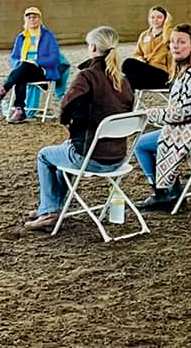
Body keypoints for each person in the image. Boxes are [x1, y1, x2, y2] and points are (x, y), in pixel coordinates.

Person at [24, 27, 136, 231]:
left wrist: (67, 121)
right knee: (63, 152)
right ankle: (52, 205)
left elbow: (67, 103)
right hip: (118, 158)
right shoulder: (124, 80)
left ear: (93, 47)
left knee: (45, 156)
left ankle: (49, 211)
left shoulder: (87, 76)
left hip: (90, 157)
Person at [133, 24, 191, 211]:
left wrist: (151, 113)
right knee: (155, 141)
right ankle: (172, 192)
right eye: (172, 42)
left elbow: (181, 113)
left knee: (140, 144)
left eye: (181, 42)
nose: (175, 46)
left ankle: (163, 194)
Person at [0, 7, 62, 124]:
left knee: (24, 67)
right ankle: (20, 109)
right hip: (24, 70)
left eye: (35, 17)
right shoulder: (21, 37)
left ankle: (4, 89)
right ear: (25, 20)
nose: (32, 20)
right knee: (22, 71)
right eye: (29, 17)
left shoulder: (48, 36)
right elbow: (14, 57)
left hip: (42, 70)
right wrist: (18, 64)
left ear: (39, 19)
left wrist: (36, 61)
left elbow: (54, 58)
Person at [121, 6, 172, 91]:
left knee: (128, 63)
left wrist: (167, 25)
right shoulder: (144, 35)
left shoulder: (170, 33)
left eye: (159, 17)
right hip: (145, 70)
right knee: (128, 78)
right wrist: (140, 59)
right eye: (152, 17)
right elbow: (137, 53)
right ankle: (127, 102)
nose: (155, 20)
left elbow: (167, 41)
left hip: (162, 73)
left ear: (165, 19)